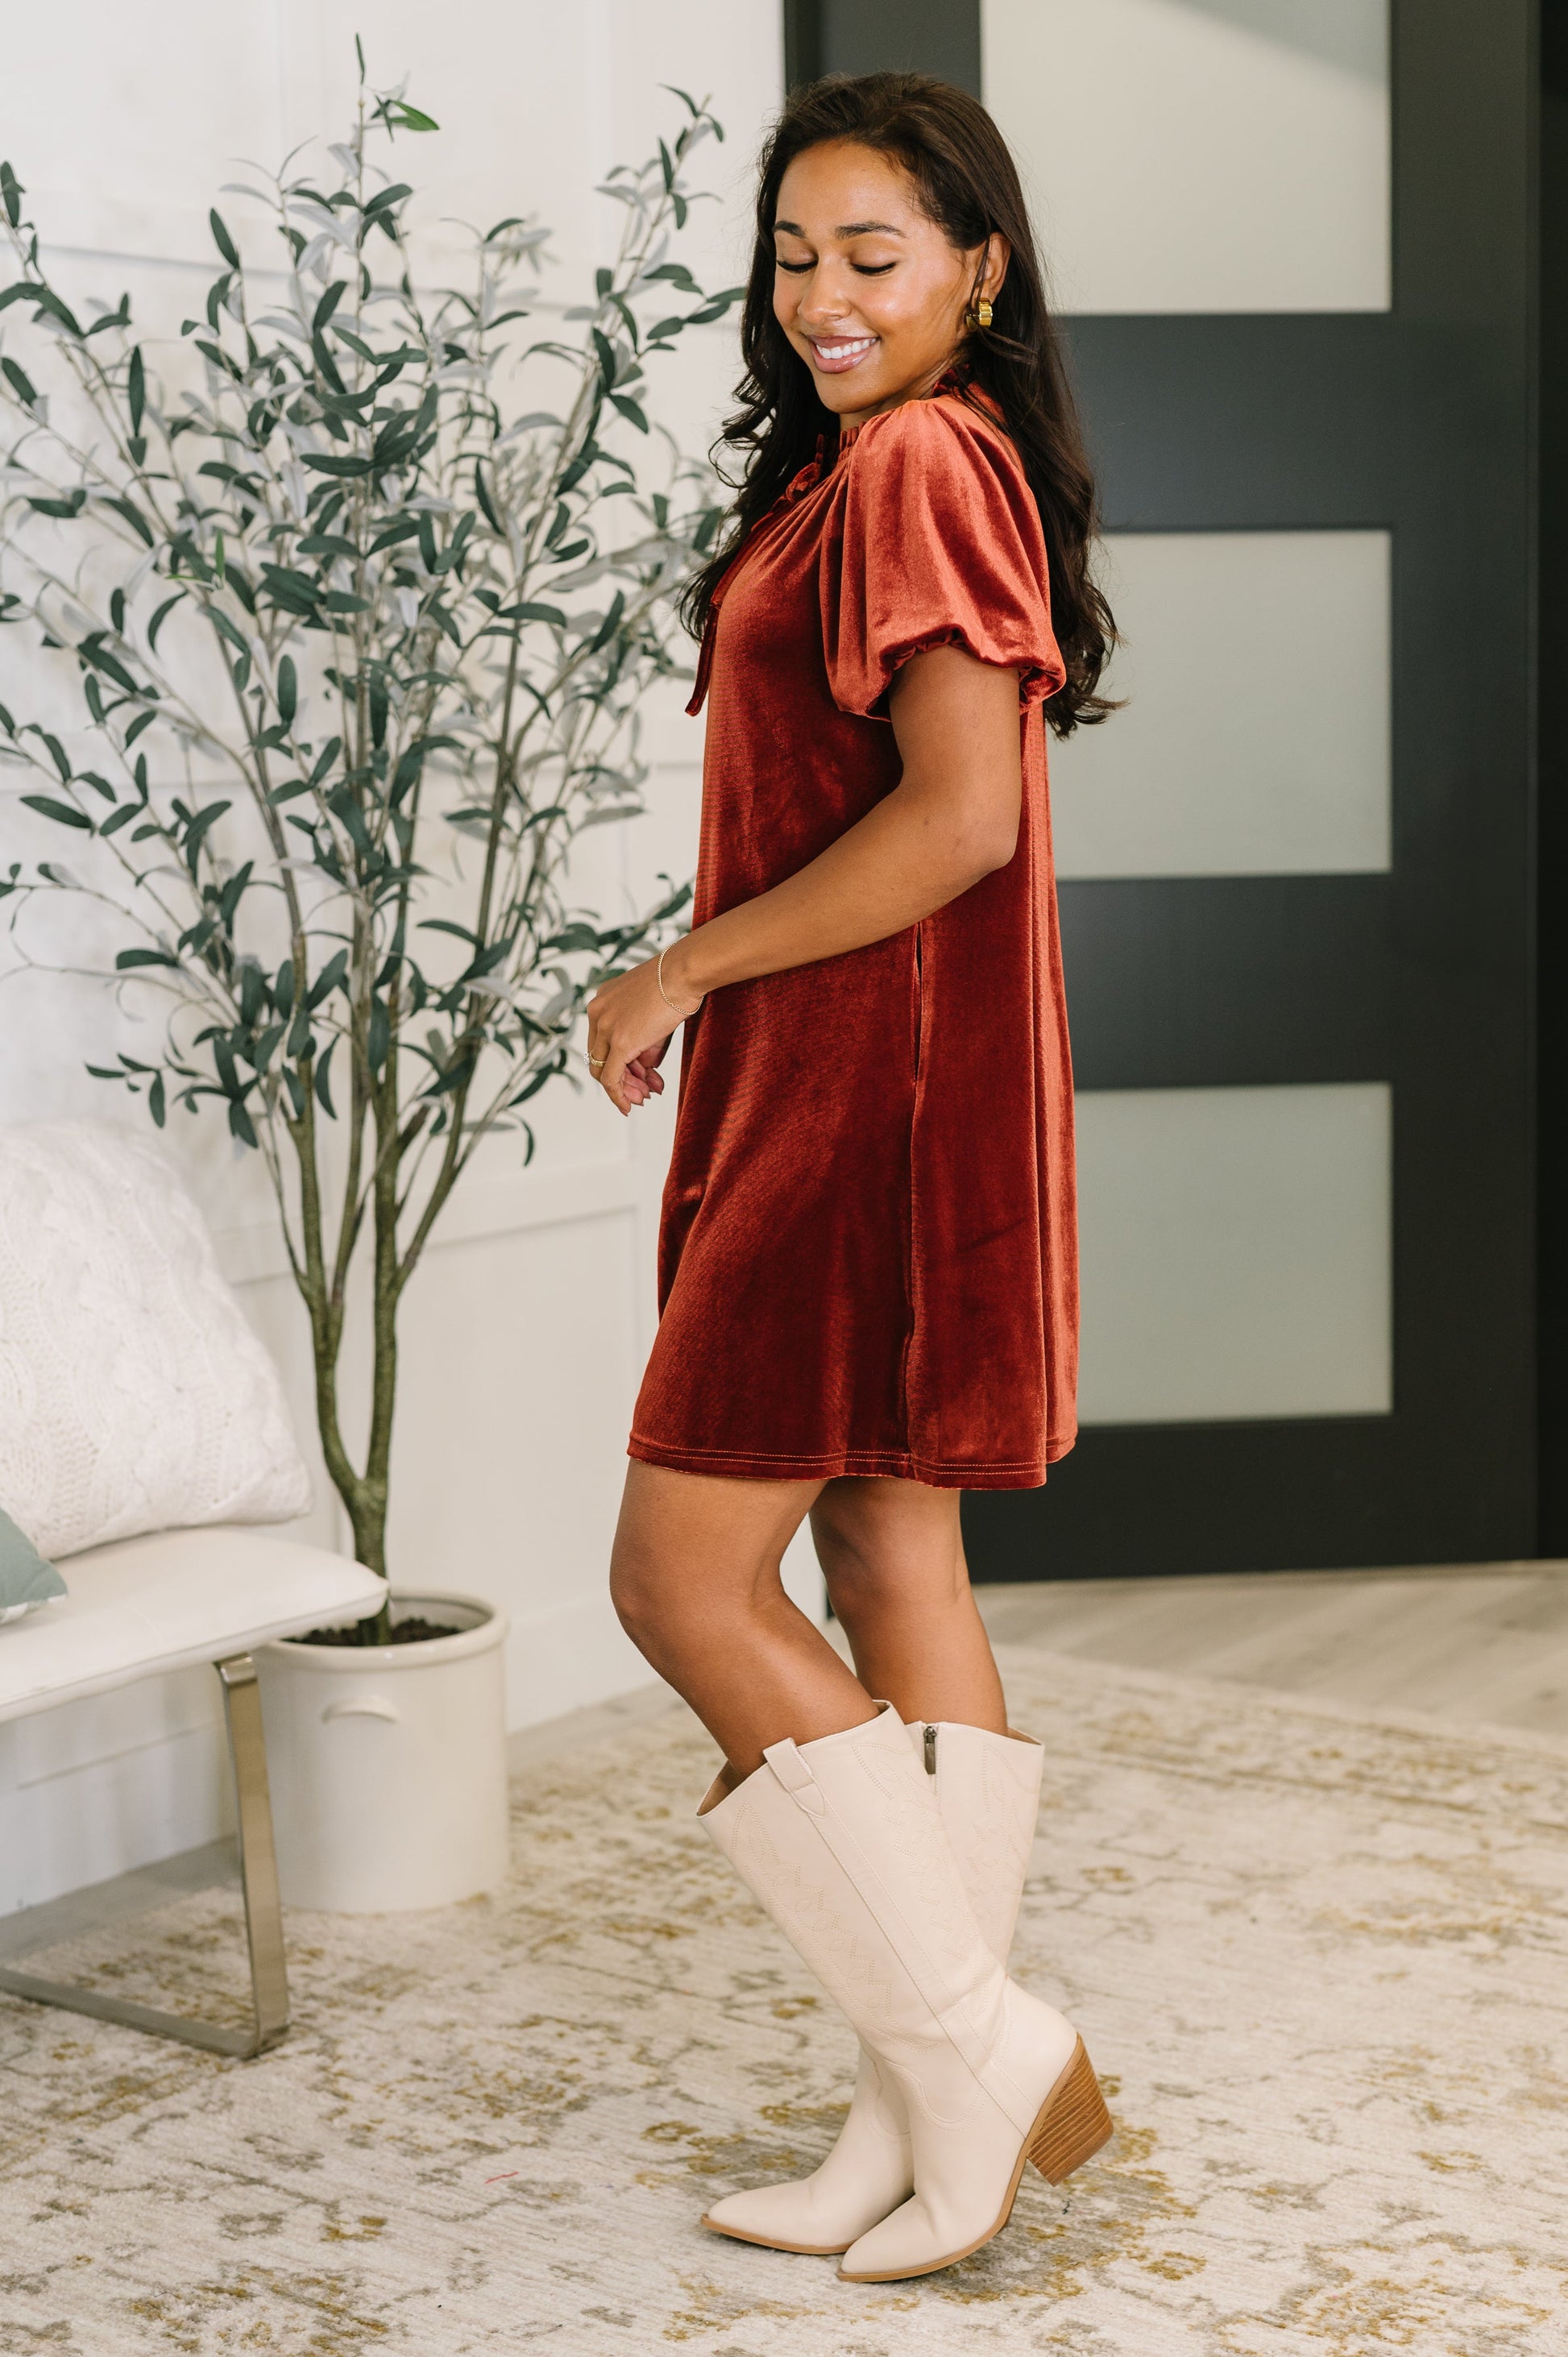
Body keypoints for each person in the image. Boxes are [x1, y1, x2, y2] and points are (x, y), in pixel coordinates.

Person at [584, 71, 1118, 2284]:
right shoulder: (911, 458)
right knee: (892, 1545)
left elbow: (958, 816)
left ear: (978, 270)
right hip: (906, 1080)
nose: (821, 295)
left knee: (679, 1584)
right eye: (793, 255)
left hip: (857, 1094)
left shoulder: (907, 463)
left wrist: (679, 968)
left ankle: (971, 2043)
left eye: (872, 255)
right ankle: (919, 2109)